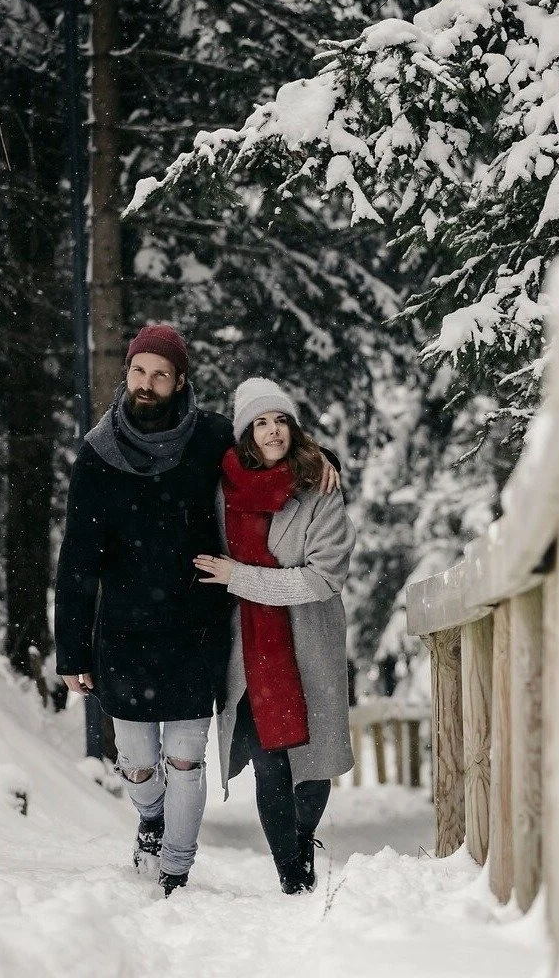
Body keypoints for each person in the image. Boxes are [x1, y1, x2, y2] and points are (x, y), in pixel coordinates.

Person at [54, 327, 339, 897]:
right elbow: (77, 559)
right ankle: (150, 820)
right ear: (127, 375)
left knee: (186, 759)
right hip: (124, 633)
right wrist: (72, 650)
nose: (148, 384)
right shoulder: (97, 454)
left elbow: (267, 457)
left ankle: (176, 870)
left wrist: (320, 459)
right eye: (140, 372)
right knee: (137, 761)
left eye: (161, 374)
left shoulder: (208, 438)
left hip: (195, 629)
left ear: (180, 380)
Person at [194, 378, 356, 895]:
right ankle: (292, 876)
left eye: (280, 421)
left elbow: (323, 577)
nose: (271, 432)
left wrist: (239, 576)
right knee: (269, 762)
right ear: (245, 433)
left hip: (308, 642)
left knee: (311, 768)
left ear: (293, 426)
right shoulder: (223, 491)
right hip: (248, 649)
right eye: (260, 423)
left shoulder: (319, 488)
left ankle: (303, 841)